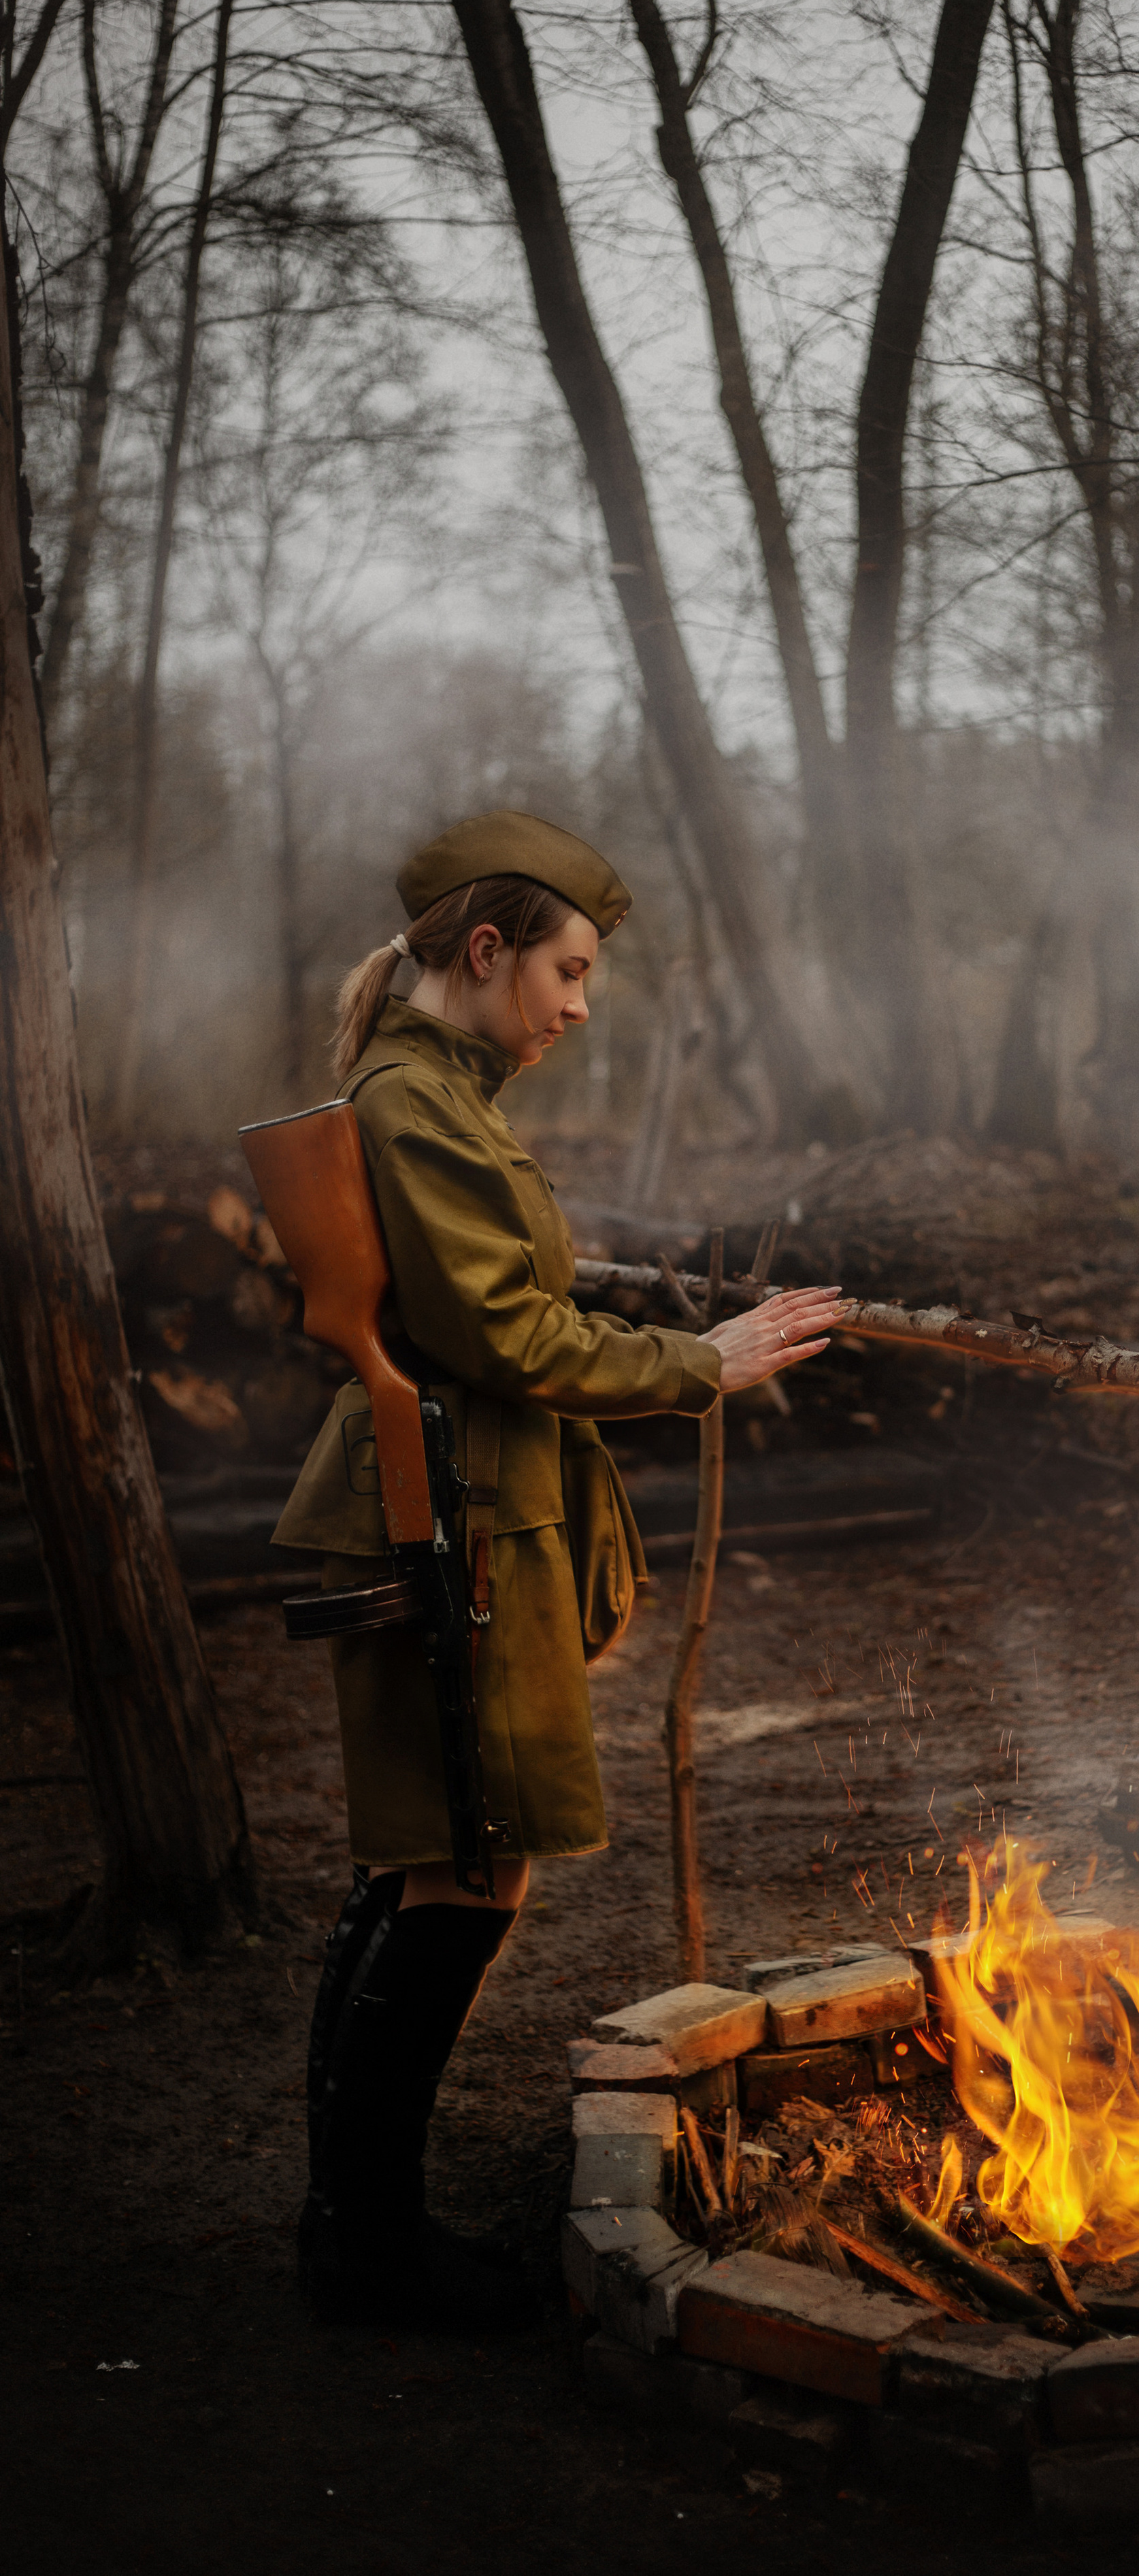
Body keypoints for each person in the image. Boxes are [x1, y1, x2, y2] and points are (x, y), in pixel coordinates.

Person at [272, 808, 842, 2330]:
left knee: (434, 1861)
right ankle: (371, 2248)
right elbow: (497, 1336)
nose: (581, 1006)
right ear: (486, 952)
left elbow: (490, 1294)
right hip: (452, 1513)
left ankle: (352, 2224)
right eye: (568, 971)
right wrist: (697, 1362)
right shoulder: (415, 1099)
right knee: (466, 1862)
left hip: (473, 1506)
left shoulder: (433, 1092)